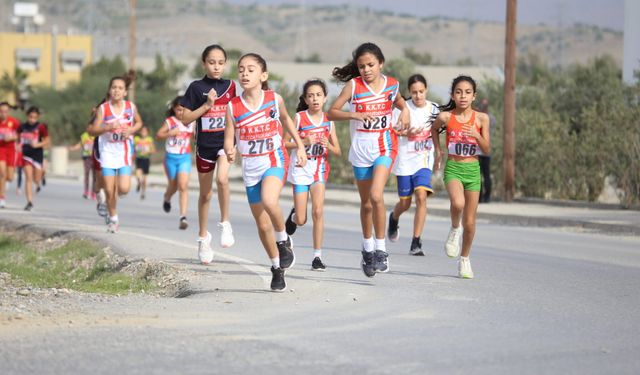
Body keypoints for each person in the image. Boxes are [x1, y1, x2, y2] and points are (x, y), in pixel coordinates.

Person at [224, 52, 307, 291]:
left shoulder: (273, 98)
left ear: (263, 75)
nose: (245, 73)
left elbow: (287, 121)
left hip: (274, 160)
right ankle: (276, 268)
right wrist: (229, 150)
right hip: (250, 169)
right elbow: (229, 138)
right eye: (241, 69)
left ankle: (283, 240)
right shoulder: (233, 106)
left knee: (271, 201)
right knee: (262, 226)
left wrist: (300, 145)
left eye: (251, 69)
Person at [328, 42, 409, 278]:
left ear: (381, 63)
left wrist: (404, 111)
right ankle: (367, 247)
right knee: (366, 204)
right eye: (361, 66)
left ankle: (381, 250)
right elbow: (331, 112)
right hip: (361, 149)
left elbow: (400, 101)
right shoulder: (354, 86)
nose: (366, 69)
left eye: (371, 65)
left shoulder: (391, 84)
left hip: (385, 145)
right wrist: (354, 114)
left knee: (376, 196)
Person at [180, 45, 237, 260]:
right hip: (204, 148)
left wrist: (234, 145)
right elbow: (185, 118)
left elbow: (237, 116)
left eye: (221, 62)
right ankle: (203, 238)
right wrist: (207, 105)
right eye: (212, 62)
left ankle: (225, 223)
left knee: (222, 180)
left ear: (225, 64)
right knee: (205, 195)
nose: (216, 66)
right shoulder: (196, 88)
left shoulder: (231, 86)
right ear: (204, 63)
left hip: (225, 144)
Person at [432, 75, 491, 279]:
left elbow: (487, 148)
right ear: (452, 95)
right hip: (454, 168)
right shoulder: (447, 117)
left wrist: (477, 135)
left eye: (467, 92)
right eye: (458, 92)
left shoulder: (482, 119)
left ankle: (464, 259)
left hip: (473, 170)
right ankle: (454, 229)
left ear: (474, 96)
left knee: (471, 222)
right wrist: (438, 151)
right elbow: (433, 130)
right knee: (457, 203)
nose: (463, 96)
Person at [284, 79, 341, 271]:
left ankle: (317, 256)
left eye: (318, 95)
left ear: (325, 97)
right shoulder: (299, 118)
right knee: (302, 219)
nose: (315, 98)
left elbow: (338, 150)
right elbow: (285, 143)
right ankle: (293, 218)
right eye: (310, 95)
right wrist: (304, 141)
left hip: (319, 170)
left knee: (318, 212)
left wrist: (328, 145)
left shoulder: (328, 121)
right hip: (301, 169)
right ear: (306, 99)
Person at [387, 74, 440, 256]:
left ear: (426, 90)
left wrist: (439, 153)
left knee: (421, 195)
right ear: (409, 93)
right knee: (405, 203)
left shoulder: (434, 109)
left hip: (423, 159)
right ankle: (394, 218)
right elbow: (392, 130)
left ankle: (416, 242)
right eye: (414, 92)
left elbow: (437, 132)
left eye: (421, 91)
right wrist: (406, 133)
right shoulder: (403, 108)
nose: (418, 96)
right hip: (404, 161)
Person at [87, 74, 143, 233]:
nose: (116, 90)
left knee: (124, 188)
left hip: (124, 152)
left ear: (125, 92)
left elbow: (139, 122)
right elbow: (92, 130)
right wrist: (107, 127)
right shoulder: (103, 109)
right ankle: (113, 219)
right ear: (109, 90)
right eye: (114, 88)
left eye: (120, 88)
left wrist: (131, 129)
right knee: (110, 190)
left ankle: (111, 204)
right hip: (107, 154)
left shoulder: (130, 107)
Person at [156, 97, 193, 230]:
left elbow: (195, 136)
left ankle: (183, 217)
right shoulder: (170, 121)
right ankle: (167, 197)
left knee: (183, 186)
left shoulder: (191, 122)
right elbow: (159, 135)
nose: (181, 112)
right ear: (174, 109)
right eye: (178, 109)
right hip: (171, 158)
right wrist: (170, 133)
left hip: (185, 157)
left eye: (183, 110)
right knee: (174, 185)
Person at [18, 106, 50, 211]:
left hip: (37, 154)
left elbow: (47, 141)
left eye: (34, 117)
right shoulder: (22, 126)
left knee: (36, 179)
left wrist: (37, 145)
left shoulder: (41, 127)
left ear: (38, 117)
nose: (32, 119)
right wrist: (17, 145)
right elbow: (18, 138)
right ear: (27, 116)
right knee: (28, 178)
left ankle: (40, 179)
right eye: (30, 117)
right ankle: (29, 202)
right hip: (26, 154)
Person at [0, 102, 20, 208]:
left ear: (9, 112)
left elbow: (20, 134)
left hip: (11, 150)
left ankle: (5, 182)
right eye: (1, 111)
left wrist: (11, 138)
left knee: (10, 177)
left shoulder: (14, 122)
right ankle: (2, 197)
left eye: (5, 112)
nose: (3, 114)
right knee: (2, 173)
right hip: (0, 149)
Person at [68, 130, 96, 199]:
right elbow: (80, 145)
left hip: (95, 157)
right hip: (86, 157)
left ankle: (94, 193)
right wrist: (72, 148)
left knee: (95, 177)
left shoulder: (97, 134)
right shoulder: (84, 136)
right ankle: (86, 192)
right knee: (86, 174)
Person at [477, 98, 495, 203]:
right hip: (485, 149)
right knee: (485, 174)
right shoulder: (491, 118)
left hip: (480, 149)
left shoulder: (478, 118)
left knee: (479, 175)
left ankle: (480, 197)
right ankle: (486, 197)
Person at [134, 126, 155, 200]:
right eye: (142, 131)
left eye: (145, 131)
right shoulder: (136, 139)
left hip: (146, 159)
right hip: (139, 159)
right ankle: (139, 183)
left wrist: (147, 151)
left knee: (145, 179)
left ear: (147, 133)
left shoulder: (149, 139)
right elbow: (133, 149)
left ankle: (143, 193)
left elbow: (153, 150)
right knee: (138, 174)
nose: (143, 132)